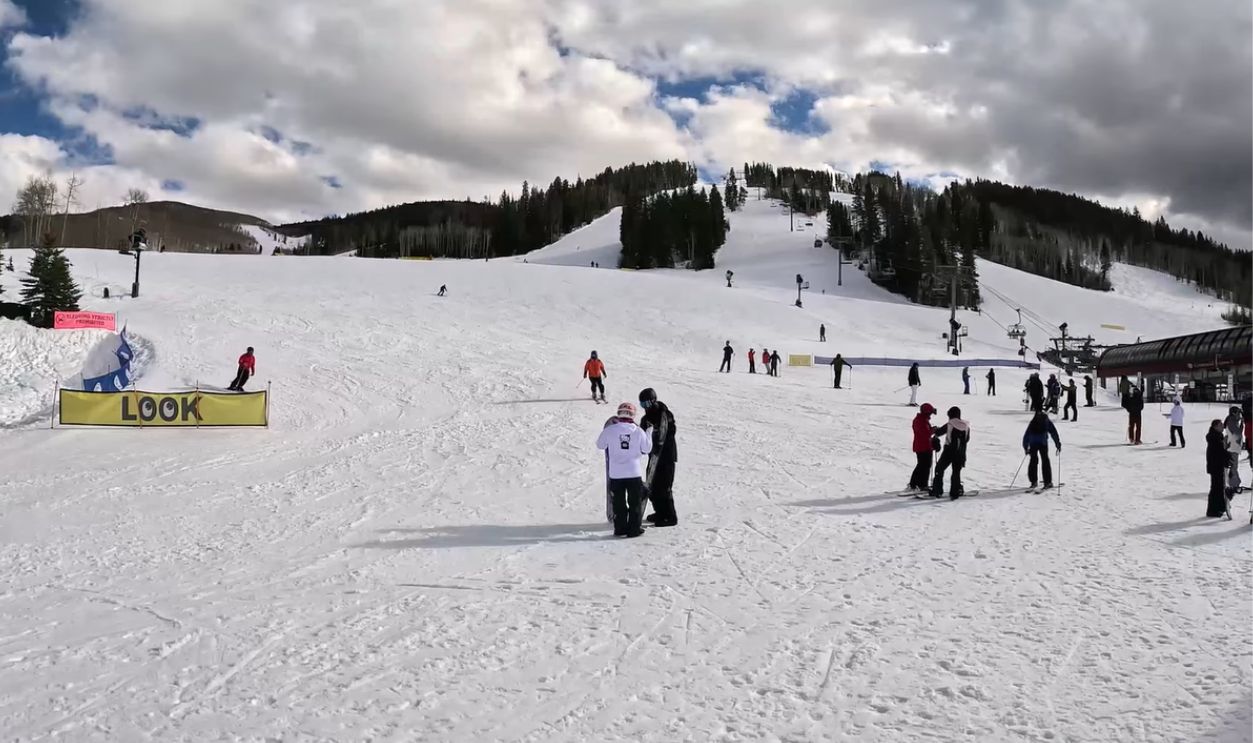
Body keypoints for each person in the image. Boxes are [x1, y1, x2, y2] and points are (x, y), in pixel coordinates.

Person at [596, 402, 653, 537]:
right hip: (633, 472)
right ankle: (634, 529)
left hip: (616, 473)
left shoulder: (610, 430)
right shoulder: (638, 431)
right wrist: (649, 433)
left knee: (618, 503)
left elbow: (600, 445)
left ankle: (620, 528)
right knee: (635, 503)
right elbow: (646, 449)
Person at [638, 388, 678, 527]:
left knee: (664, 486)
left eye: (647, 404)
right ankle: (660, 512)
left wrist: (657, 434)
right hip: (653, 457)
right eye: (642, 404)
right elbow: (642, 435)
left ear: (653, 400)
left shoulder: (665, 414)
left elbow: (670, 431)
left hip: (666, 456)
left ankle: (670, 516)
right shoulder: (645, 419)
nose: (645, 407)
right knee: (652, 486)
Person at [930, 406, 970, 499]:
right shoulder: (966, 426)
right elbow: (967, 439)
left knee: (939, 469)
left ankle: (937, 490)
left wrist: (935, 432)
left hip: (949, 451)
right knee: (956, 472)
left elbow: (939, 432)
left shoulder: (950, 424)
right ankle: (955, 492)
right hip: (961, 452)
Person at [1023, 411, 1062, 490]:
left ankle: (1033, 481)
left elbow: (1027, 434)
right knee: (1045, 461)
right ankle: (1047, 482)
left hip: (1033, 443)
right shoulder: (1046, 420)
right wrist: (1057, 444)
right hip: (1043, 443)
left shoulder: (1033, 421)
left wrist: (1025, 447)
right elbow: (1053, 432)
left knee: (1033, 461)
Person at [909, 403, 937, 492]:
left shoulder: (922, 420)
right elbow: (925, 434)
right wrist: (933, 430)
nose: (931, 415)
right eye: (930, 413)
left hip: (923, 446)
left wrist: (932, 430)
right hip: (923, 447)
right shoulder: (920, 421)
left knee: (922, 465)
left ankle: (914, 484)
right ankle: (921, 485)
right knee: (924, 466)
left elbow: (926, 433)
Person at [1206, 419, 1229, 517]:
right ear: (1215, 427)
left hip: (1217, 465)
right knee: (1216, 488)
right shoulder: (1214, 437)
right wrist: (1227, 455)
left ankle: (1220, 507)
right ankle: (1213, 510)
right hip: (1215, 466)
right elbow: (1220, 452)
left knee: (1219, 487)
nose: (1223, 426)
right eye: (1220, 425)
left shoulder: (1218, 436)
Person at [1224, 405, 1244, 496]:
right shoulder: (1231, 421)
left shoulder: (1232, 421)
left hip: (1233, 447)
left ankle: (1233, 483)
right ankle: (1234, 485)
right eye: (1238, 413)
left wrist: (1241, 423)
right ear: (1234, 413)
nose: (1240, 415)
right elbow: (1237, 434)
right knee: (1233, 467)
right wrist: (1241, 424)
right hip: (1233, 448)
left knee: (1233, 467)